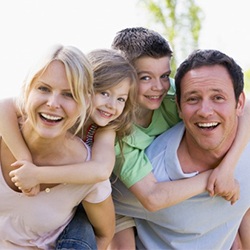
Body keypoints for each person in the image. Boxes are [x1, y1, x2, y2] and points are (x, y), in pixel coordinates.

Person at [108, 27, 250, 249]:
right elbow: (150, 198)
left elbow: (246, 105)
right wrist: (212, 178)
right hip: (123, 191)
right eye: (145, 77)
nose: (158, 87)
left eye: (165, 76)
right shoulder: (116, 133)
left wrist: (227, 167)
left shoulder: (171, 94)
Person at [0, 48, 137, 249]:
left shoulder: (105, 130)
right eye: (105, 93)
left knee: (82, 234)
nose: (110, 105)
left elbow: (100, 171)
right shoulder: (38, 112)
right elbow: (4, 106)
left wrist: (38, 175)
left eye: (121, 99)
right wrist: (25, 160)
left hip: (84, 201)